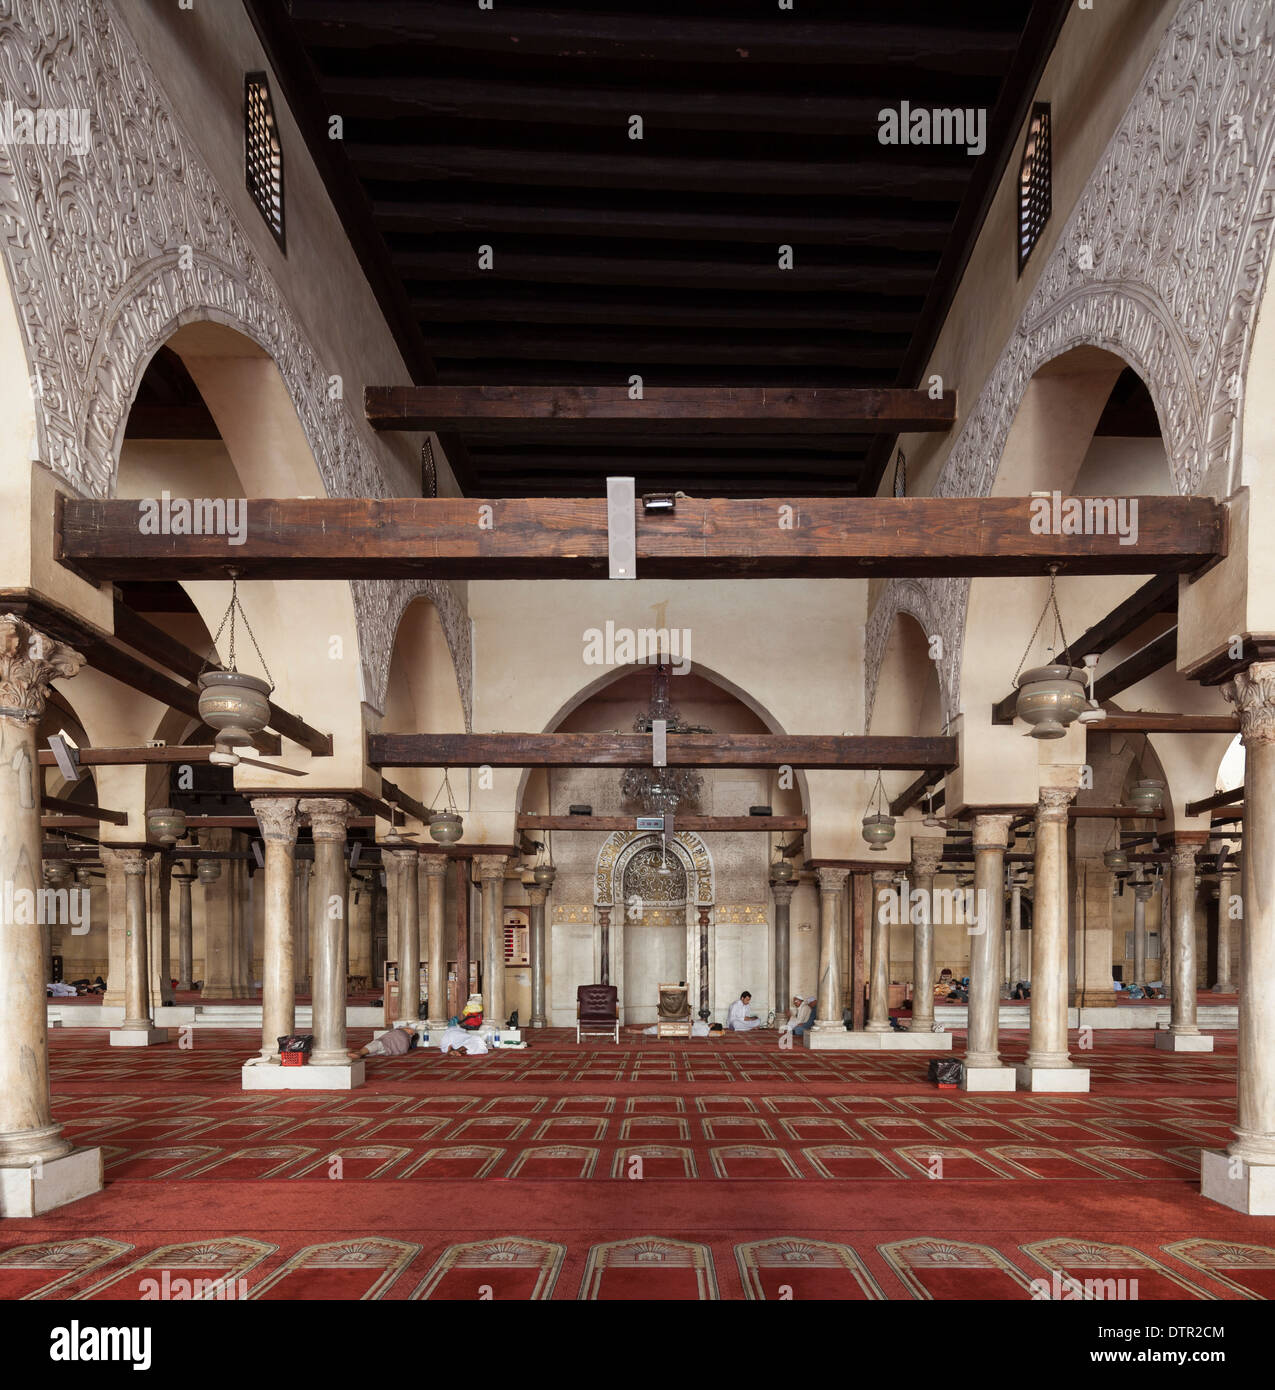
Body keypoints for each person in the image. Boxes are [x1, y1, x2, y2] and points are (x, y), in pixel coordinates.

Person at [348, 1024, 418, 1060]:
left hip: (385, 1043)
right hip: (389, 1050)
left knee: (375, 1046)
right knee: (375, 1051)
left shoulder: (402, 1034)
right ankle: (360, 1054)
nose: (405, 1028)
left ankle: (359, 1053)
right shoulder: (401, 1033)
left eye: (407, 1028)